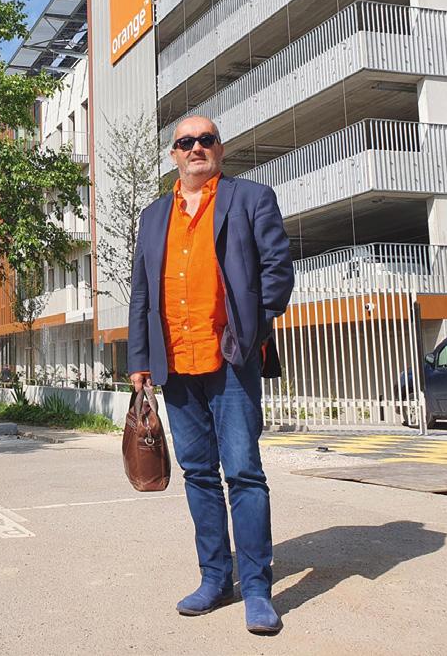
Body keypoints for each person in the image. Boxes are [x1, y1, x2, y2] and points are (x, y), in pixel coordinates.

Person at [128, 115, 294, 635]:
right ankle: (215, 578)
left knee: (243, 473)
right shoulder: (153, 216)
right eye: (186, 142)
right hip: (174, 364)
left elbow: (277, 270)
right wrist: (139, 361)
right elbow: (140, 294)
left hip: (231, 359)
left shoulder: (251, 198)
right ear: (174, 155)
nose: (196, 147)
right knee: (198, 474)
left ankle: (258, 589)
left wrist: (253, 323)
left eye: (206, 139)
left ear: (219, 148)